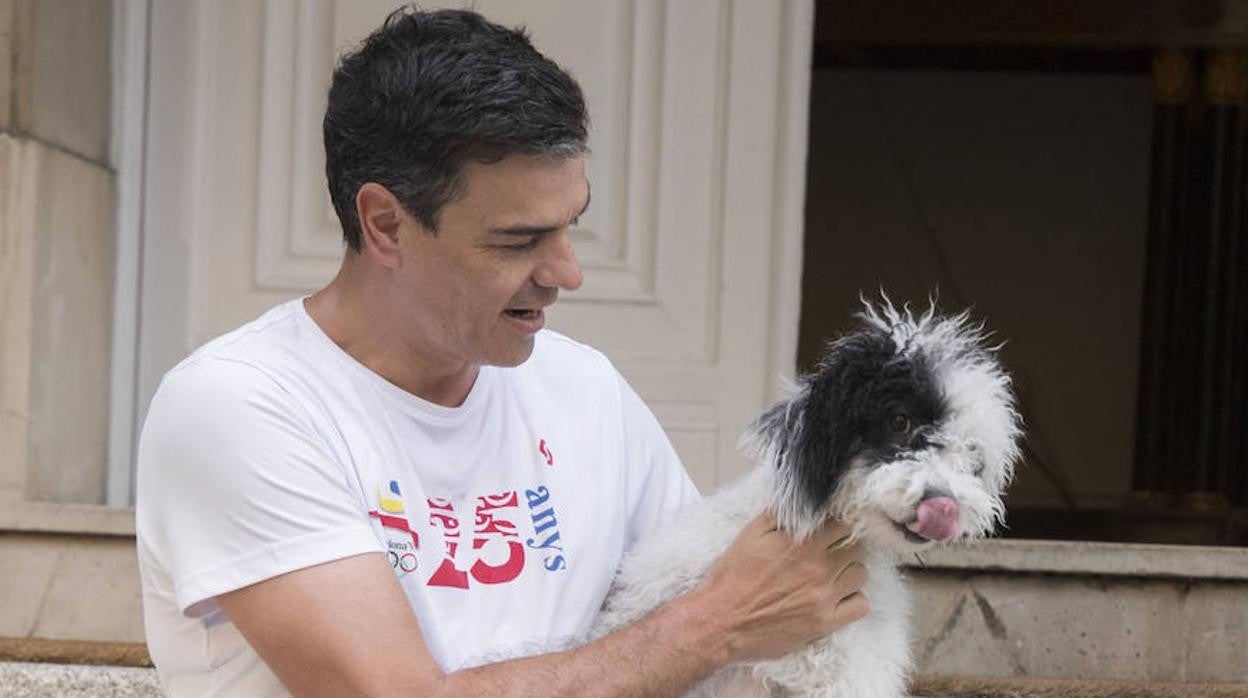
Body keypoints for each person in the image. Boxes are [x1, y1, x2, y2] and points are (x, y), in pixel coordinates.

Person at [136, 7, 869, 697]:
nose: (566, 273)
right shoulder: (241, 406)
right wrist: (715, 624)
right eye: (519, 241)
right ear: (386, 224)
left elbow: (734, 614)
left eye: (569, 226)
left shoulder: (585, 389)